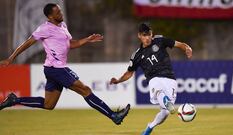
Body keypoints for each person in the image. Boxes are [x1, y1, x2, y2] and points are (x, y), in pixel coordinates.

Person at [0, 3, 130, 125]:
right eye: (57, 12)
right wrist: (11, 58)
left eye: (60, 11)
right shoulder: (45, 28)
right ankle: (114, 116)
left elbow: (70, 44)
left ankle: (14, 100)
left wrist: (87, 39)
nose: (61, 14)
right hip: (57, 69)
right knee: (86, 90)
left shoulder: (63, 26)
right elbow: (27, 43)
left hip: (52, 69)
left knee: (48, 105)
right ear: (50, 16)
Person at [110, 22, 192, 134]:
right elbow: (129, 73)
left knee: (166, 112)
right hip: (154, 79)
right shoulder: (137, 55)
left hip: (170, 78)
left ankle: (149, 127)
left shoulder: (160, 41)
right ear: (139, 35)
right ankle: (163, 98)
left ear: (152, 33)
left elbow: (178, 44)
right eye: (144, 35)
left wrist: (187, 48)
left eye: (149, 34)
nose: (147, 37)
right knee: (158, 90)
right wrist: (118, 81)